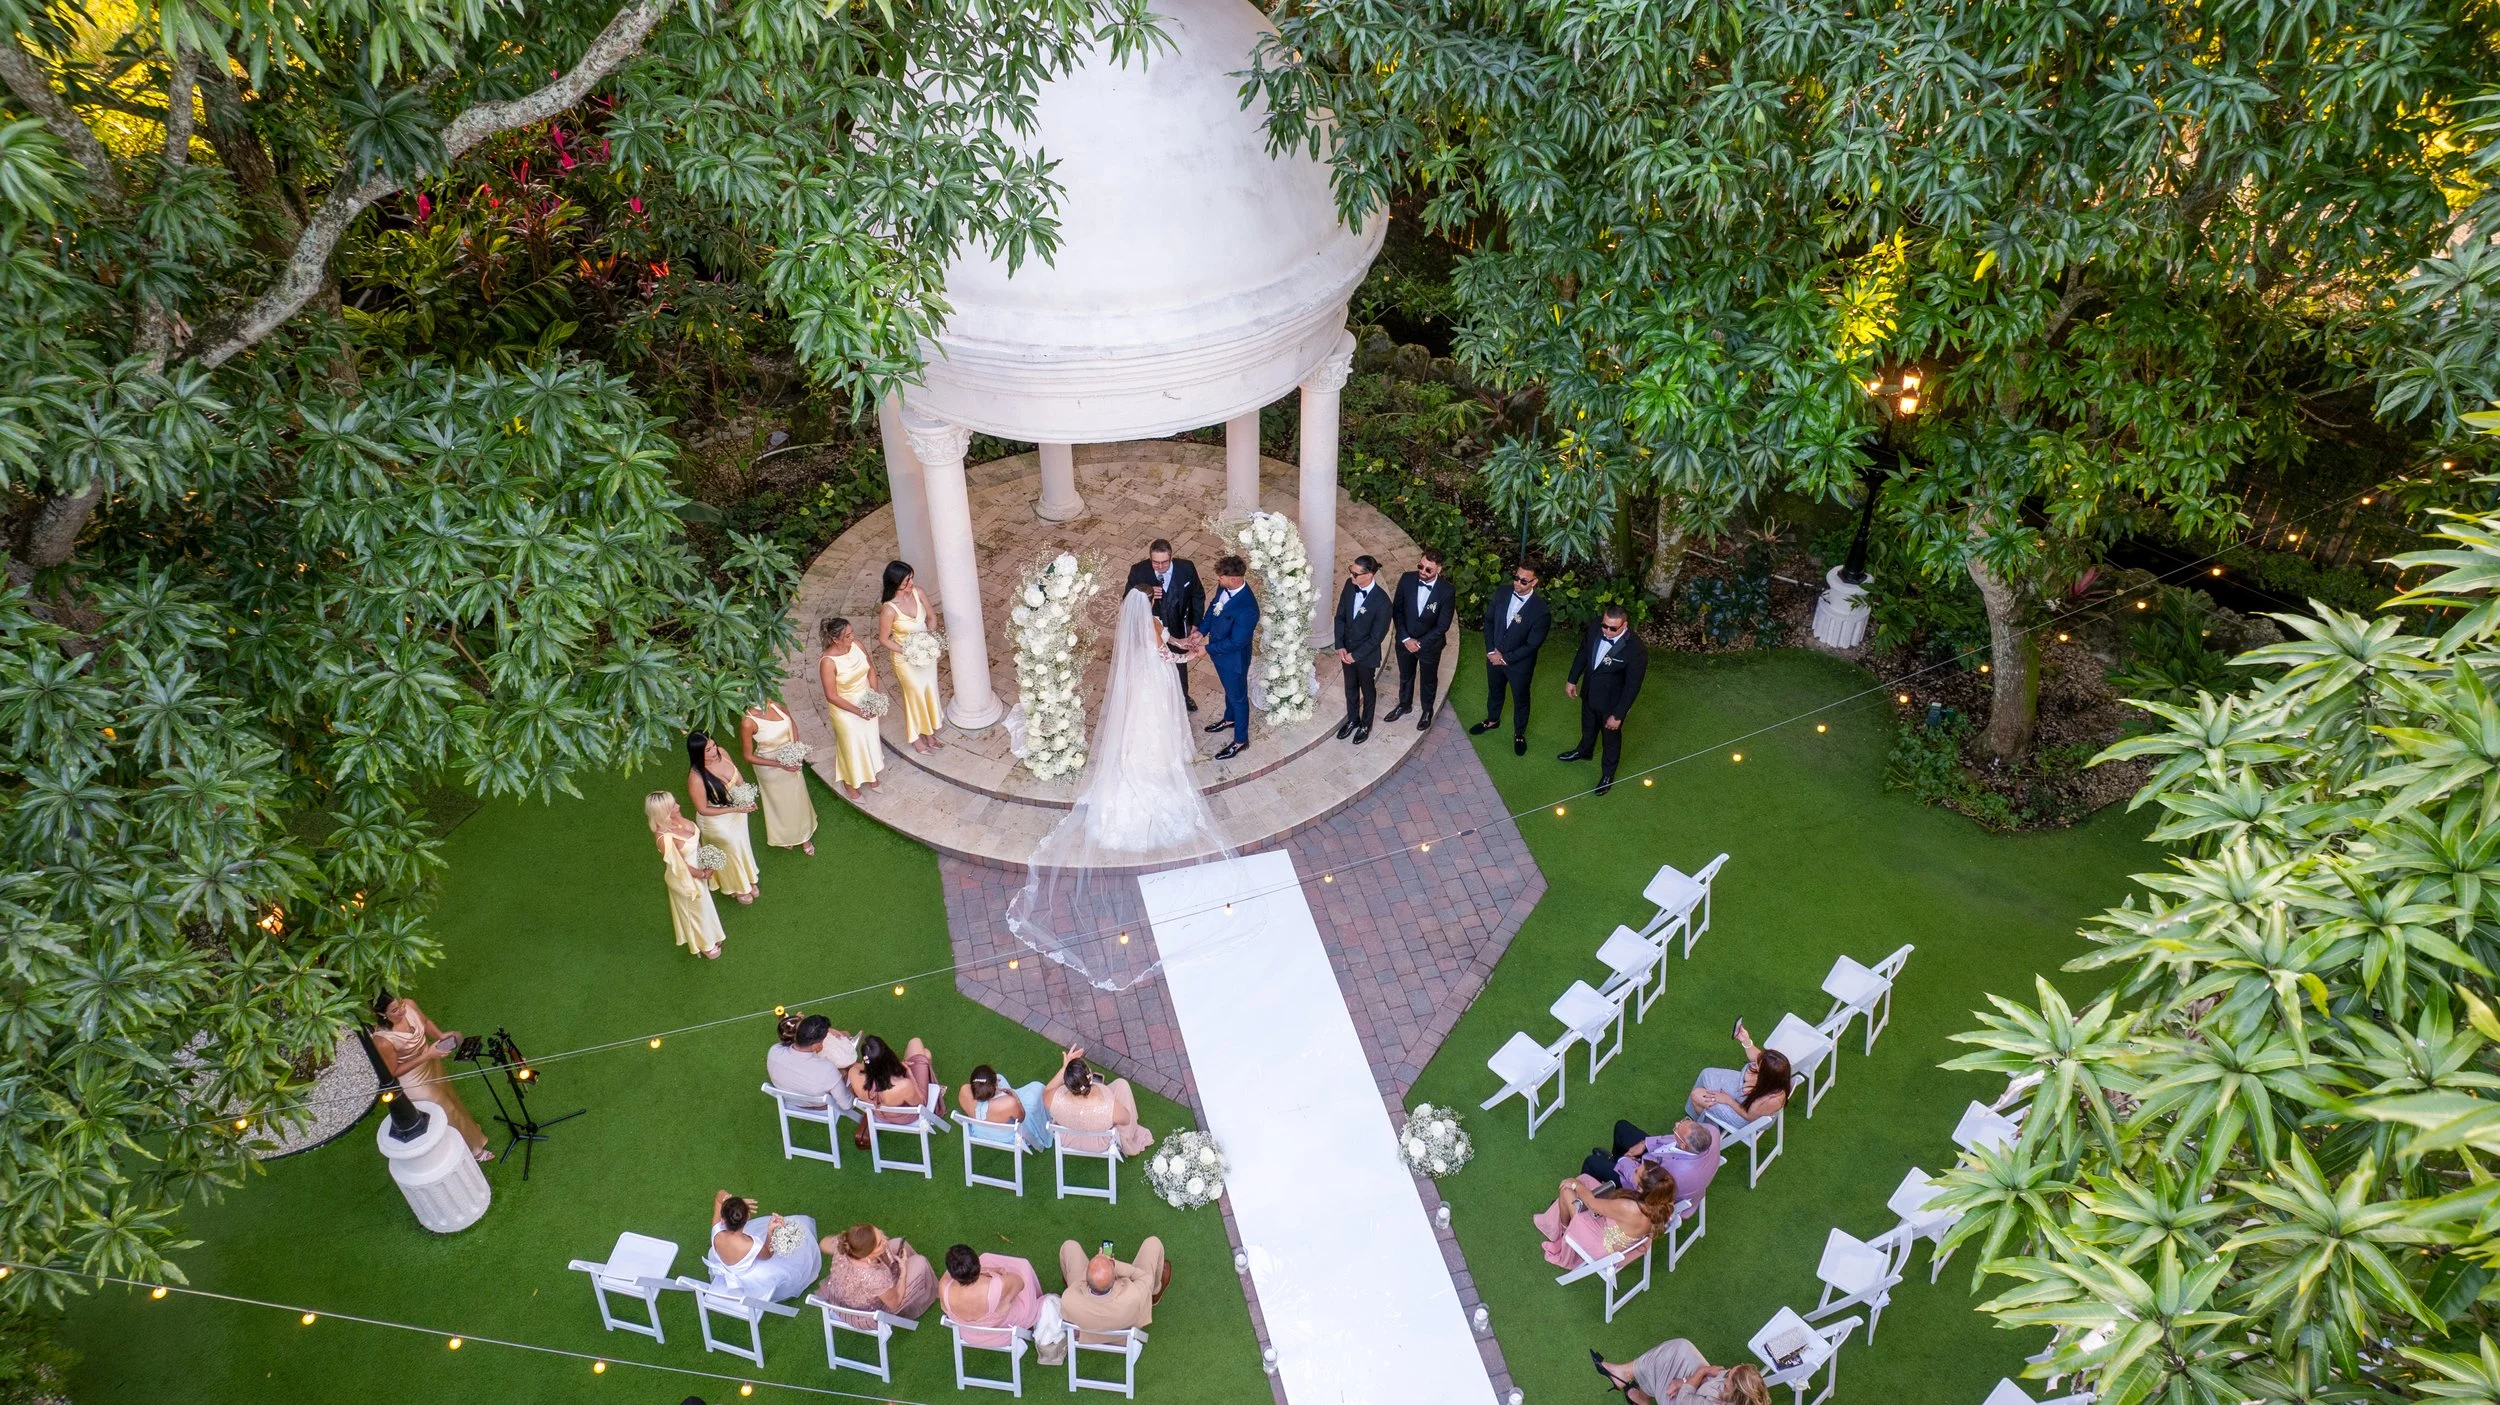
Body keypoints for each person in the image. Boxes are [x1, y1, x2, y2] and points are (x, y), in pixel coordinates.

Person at [370, 993, 490, 1160]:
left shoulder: (409, 1004)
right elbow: (394, 1072)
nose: (402, 1011)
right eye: (395, 1010)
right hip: (413, 1080)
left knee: (452, 1098)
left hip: (431, 1062)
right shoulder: (382, 1041)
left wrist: (441, 1036)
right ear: (382, 1014)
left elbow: (425, 1023)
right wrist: (427, 1055)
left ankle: (470, 1133)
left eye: (401, 1005)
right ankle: (473, 1151)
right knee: (447, 1109)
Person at [1560, 604, 1650, 795]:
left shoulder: (1636, 650)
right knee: (1588, 726)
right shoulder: (1595, 627)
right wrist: (1572, 679)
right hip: (1589, 692)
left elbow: (1632, 686)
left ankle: (1607, 774)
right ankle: (1584, 751)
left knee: (1610, 740)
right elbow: (1583, 653)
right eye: (1605, 626)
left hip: (1612, 704)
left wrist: (1618, 715)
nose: (1607, 631)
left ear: (1624, 625)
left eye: (1612, 628)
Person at [1532, 1164, 1679, 1268]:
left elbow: (1592, 1203)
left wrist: (1576, 1185)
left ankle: (1562, 1233)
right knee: (1585, 1178)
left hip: (1600, 1243)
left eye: (1635, 1171)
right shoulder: (1664, 1205)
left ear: (1641, 1188)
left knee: (1567, 1191)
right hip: (1620, 1233)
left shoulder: (1629, 1207)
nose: (1633, 1168)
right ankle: (1560, 1224)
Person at [1472, 563, 1551, 756]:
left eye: (1524, 581)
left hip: (1519, 666)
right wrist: (1491, 651)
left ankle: (1519, 733)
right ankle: (1492, 719)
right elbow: (1489, 621)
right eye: (1516, 578)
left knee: (1521, 699)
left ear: (1535, 582)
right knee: (1495, 689)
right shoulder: (1502, 592)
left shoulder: (1541, 611)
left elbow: (1532, 645)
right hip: (1494, 657)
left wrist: (1504, 658)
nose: (1518, 583)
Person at [1125, 539, 1205, 713]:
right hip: (1151, 625)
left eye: (1164, 562)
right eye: (1155, 562)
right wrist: (1147, 593)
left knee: (1180, 670)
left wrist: (1195, 623)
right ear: (1149, 558)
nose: (1160, 567)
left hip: (1177, 623)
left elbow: (1197, 595)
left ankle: (1183, 696)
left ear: (1172, 557)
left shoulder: (1186, 568)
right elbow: (1128, 600)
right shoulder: (1138, 571)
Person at [1192, 555, 1259, 761]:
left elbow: (1237, 642)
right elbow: (1213, 609)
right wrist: (1201, 631)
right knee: (1229, 690)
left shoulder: (1248, 608)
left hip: (1233, 660)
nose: (1218, 581)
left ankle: (1240, 740)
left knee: (1238, 697)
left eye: (1221, 578)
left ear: (1234, 579)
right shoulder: (1224, 588)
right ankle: (1229, 719)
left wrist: (1207, 649)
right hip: (1219, 654)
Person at [877, 560, 947, 755]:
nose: (911, 584)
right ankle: (917, 738)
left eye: (911, 578)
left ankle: (930, 732)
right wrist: (908, 650)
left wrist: (929, 640)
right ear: (895, 582)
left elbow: (932, 618)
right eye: (906, 581)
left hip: (926, 654)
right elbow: (884, 639)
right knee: (914, 695)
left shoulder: (919, 592)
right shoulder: (889, 609)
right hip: (905, 658)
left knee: (929, 690)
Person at [645, 791, 725, 959]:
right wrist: (702, 874)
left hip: (699, 868)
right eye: (673, 806)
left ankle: (711, 934)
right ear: (663, 813)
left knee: (704, 906)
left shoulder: (679, 820)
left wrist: (707, 862)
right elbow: (680, 866)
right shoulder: (664, 838)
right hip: (684, 878)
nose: (678, 806)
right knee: (696, 910)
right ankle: (704, 944)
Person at [1383, 547, 1454, 729]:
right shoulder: (1407, 579)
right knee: (1406, 676)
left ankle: (1427, 710)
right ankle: (1404, 705)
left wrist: (1420, 643)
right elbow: (1397, 610)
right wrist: (1406, 638)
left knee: (1428, 680)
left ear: (1439, 569)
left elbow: (1442, 626)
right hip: (1405, 642)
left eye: (1428, 569)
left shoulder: (1446, 591)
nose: (1422, 572)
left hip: (1429, 646)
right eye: (1420, 566)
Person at [708, 1190, 821, 1303]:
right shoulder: (750, 1244)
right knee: (797, 1252)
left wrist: (734, 1206)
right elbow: (767, 1254)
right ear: (747, 1217)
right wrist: (770, 1231)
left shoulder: (717, 1233)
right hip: (750, 1279)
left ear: (723, 1218)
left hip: (727, 1265)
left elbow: (719, 1196)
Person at [686, 731, 760, 903]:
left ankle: (747, 878)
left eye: (713, 746)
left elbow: (738, 777)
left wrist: (747, 797)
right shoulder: (696, 778)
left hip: (737, 812)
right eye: (707, 750)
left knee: (741, 844)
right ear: (697, 753)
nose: (713, 751)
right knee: (731, 849)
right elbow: (703, 809)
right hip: (716, 822)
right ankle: (737, 888)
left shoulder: (722, 752)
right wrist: (734, 809)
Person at [1040, 1046, 1154, 1157]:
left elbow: (1047, 1090)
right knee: (1122, 1086)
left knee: (1119, 1086)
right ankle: (1127, 1144)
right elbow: (1126, 1119)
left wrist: (1065, 1067)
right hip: (1098, 1143)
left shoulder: (1053, 1099)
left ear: (1068, 1084)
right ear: (1090, 1076)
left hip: (1068, 1137)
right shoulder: (1109, 1109)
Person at [1581, 1118, 1723, 1204]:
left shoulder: (1675, 1174)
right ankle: (1614, 1163)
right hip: (1654, 1160)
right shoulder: (1711, 1131)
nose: (1676, 1123)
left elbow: (1640, 1183)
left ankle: (1580, 1200)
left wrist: (1626, 1161)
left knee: (1592, 1163)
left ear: (1684, 1146)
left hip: (1645, 1186)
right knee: (1622, 1127)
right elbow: (1673, 1140)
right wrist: (1644, 1143)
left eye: (1677, 1128)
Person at [818, 617, 885, 799]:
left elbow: (870, 669)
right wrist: (858, 711)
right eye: (847, 635)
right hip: (845, 709)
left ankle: (871, 775)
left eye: (852, 632)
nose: (852, 637)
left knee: (869, 740)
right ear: (835, 639)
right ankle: (850, 784)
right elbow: (831, 695)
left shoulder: (857, 645)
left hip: (866, 700)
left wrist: (874, 696)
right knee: (851, 746)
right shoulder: (828, 662)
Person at [813, 1222, 937, 1319]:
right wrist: (903, 1271)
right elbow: (895, 1302)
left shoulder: (846, 1245)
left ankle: (923, 1286)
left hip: (847, 1293)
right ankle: (931, 1292)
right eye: (879, 1243)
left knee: (899, 1243)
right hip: (868, 1312)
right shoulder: (875, 1277)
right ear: (866, 1255)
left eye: (880, 1234)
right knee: (920, 1262)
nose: (885, 1239)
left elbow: (823, 1243)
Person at [738, 700, 816, 854]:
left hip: (791, 759)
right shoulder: (747, 722)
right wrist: (780, 765)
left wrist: (797, 750)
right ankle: (784, 836)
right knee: (780, 804)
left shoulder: (776, 702)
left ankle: (805, 836)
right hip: (770, 767)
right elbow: (748, 756)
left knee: (797, 797)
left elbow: (792, 724)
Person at [1594, 1339, 1772, 1405]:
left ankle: (1629, 1382)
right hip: (1700, 1385)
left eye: (1729, 1376)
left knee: (1666, 1380)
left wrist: (1693, 1377)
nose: (1728, 1370)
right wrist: (1698, 1374)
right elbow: (1716, 1373)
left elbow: (1684, 1398)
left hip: (1684, 1399)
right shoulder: (1747, 1397)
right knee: (1681, 1347)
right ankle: (1626, 1373)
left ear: (1734, 1392)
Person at [1688, 1021, 1793, 1131]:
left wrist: (1727, 1100)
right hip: (1743, 1092)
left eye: (1758, 1065)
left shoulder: (1772, 1100)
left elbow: (1749, 1116)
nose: (1756, 1062)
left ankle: (1707, 1131)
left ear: (1765, 1076)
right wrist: (1746, 1040)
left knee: (1697, 1095)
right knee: (1706, 1074)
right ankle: (1702, 1116)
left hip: (1744, 1118)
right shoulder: (1775, 1073)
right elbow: (1756, 1056)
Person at [1331, 554, 1391, 743]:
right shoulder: (1350, 587)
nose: (1351, 577)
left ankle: (1366, 724)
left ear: (1370, 575)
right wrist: (1340, 645)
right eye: (1351, 572)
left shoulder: (1382, 602)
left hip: (1365, 656)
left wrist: (1355, 655)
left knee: (1367, 688)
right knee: (1350, 687)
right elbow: (1340, 616)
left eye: (1355, 574)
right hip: (1346, 650)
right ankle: (1352, 720)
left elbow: (1377, 637)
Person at [1055, 1236, 1168, 1333]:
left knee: (1069, 1246)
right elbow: (1145, 1278)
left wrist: (1095, 1264)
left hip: (1088, 1329)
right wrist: (1114, 1265)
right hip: (1125, 1326)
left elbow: (1077, 1285)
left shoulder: (1069, 1299)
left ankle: (1078, 1277)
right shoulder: (1134, 1295)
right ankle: (1155, 1292)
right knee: (1153, 1243)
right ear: (1115, 1278)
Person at [847, 1033, 935, 1149]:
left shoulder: (853, 1073)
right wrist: (909, 1075)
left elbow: (860, 1067)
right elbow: (921, 1102)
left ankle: (924, 1059)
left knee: (925, 1054)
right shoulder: (904, 1085)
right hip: (906, 1117)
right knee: (917, 1043)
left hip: (880, 1115)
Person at [937, 1243, 1048, 1332]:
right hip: (1003, 1332)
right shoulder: (997, 1286)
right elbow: (1020, 1283)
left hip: (970, 1334)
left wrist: (986, 1271)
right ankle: (1037, 1302)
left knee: (986, 1257)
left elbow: (948, 1276)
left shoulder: (943, 1288)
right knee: (1023, 1268)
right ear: (977, 1264)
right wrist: (994, 1274)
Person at [768, 1013, 858, 1112]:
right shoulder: (827, 1069)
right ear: (815, 1045)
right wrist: (855, 1084)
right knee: (852, 1070)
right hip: (819, 1104)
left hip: (792, 1100)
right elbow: (847, 1105)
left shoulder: (774, 1051)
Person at [957, 1062, 1052, 1149]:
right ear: (994, 1085)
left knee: (1000, 1077)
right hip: (1006, 1135)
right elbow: (1022, 1118)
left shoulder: (963, 1090)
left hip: (981, 1130)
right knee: (1037, 1088)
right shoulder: (1009, 1103)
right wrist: (1016, 1098)